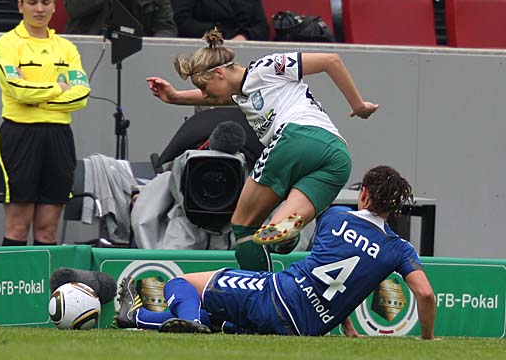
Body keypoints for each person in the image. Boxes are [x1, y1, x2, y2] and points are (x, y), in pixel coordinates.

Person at [146, 29, 379, 271]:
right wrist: (174, 97)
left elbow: (331, 60)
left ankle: (258, 289)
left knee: (243, 226)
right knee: (275, 230)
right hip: (336, 156)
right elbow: (214, 98)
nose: (204, 95)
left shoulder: (265, 67)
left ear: (219, 73)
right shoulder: (242, 94)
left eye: (204, 87)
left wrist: (358, 105)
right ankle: (287, 237)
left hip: (295, 137)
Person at [115, 165, 437, 338]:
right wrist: (426, 338)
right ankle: (138, 317)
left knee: (182, 284)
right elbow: (424, 294)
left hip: (277, 295)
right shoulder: (398, 248)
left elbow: (334, 261)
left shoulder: (335, 216)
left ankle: (179, 321)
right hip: (307, 328)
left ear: (363, 194)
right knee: (214, 320)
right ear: (395, 207)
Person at [0, 0, 90, 246]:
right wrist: (58, 88)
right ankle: (12, 274)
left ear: (55, 6)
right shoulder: (7, 44)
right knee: (17, 228)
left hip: (59, 137)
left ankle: (45, 277)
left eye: (45, 2)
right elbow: (17, 90)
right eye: (32, 2)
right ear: (20, 6)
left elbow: (81, 94)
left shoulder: (67, 48)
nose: (39, 8)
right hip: (19, 135)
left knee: (47, 230)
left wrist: (37, 98)